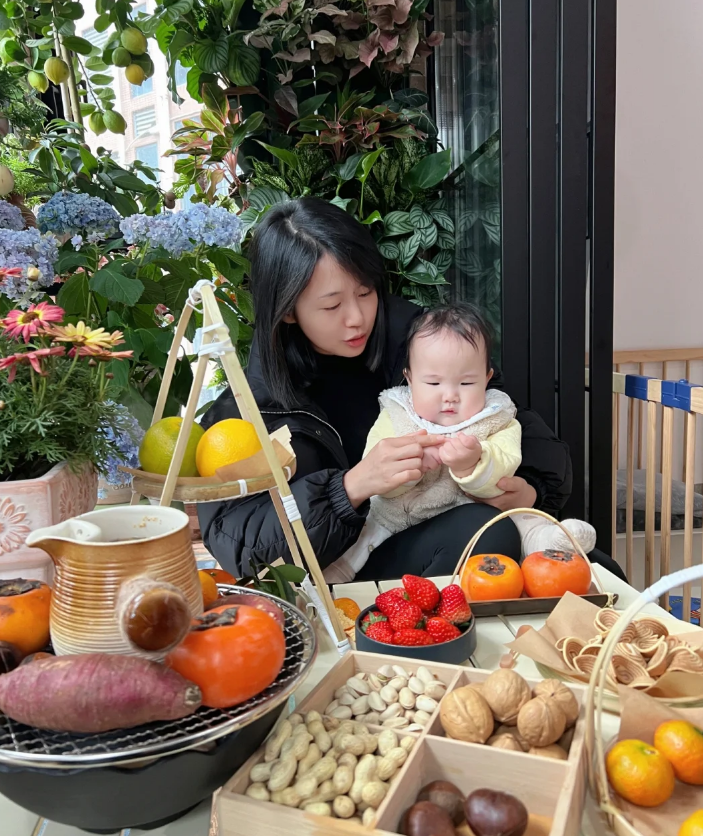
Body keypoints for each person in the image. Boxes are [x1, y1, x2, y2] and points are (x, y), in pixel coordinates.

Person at [198, 197, 626, 582]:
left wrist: (530, 487)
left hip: (450, 527)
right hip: (348, 570)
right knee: (481, 533)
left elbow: (512, 421)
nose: (357, 318)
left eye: (365, 292)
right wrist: (350, 488)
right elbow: (241, 543)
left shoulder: (420, 341)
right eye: (332, 305)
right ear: (288, 310)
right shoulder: (250, 408)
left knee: (599, 570)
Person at [323, 303, 596, 583]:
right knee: (365, 537)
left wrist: (473, 464)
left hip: (475, 511)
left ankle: (553, 543)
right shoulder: (396, 415)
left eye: (466, 384)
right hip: (401, 521)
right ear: (409, 378)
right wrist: (411, 467)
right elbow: (378, 477)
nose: (450, 396)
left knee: (522, 521)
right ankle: (336, 579)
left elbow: (505, 465)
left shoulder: (496, 418)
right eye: (433, 384)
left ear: (487, 379)